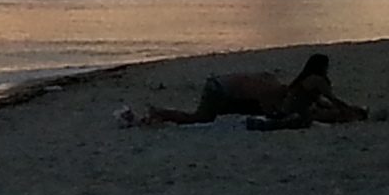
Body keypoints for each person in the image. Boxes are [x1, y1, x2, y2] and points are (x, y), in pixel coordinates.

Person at [120, 51, 365, 129]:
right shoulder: (271, 91)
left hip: (222, 87)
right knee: (201, 118)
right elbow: (328, 101)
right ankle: (160, 113)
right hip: (219, 88)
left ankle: (157, 115)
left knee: (208, 117)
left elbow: (317, 103)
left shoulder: (283, 86)